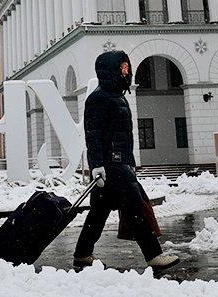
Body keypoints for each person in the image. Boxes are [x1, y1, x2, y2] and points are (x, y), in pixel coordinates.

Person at [74, 50, 180, 271]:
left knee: (99, 213)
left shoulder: (117, 96)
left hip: (119, 164)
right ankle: (153, 255)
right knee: (135, 208)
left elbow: (123, 135)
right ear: (110, 70)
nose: (126, 71)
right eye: (121, 68)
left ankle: (82, 254)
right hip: (111, 166)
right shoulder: (99, 98)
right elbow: (93, 135)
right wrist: (97, 166)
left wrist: (129, 161)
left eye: (126, 67)